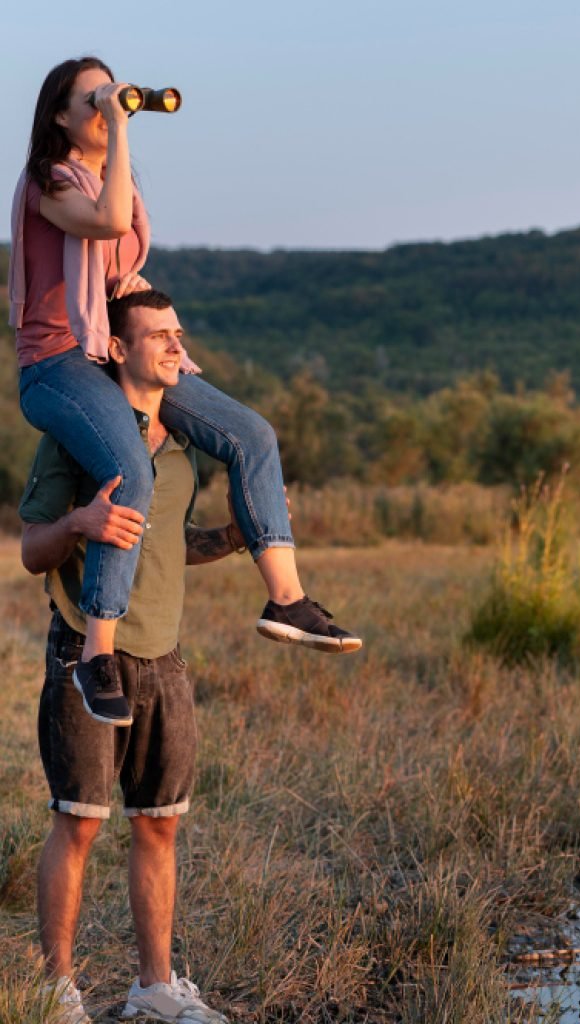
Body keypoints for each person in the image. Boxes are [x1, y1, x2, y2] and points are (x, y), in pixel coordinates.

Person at [9, 57, 360, 729]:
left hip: (109, 354)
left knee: (253, 434)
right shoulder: (48, 180)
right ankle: (98, 654)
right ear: (59, 115)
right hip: (56, 364)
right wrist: (121, 119)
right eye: (93, 101)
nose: (109, 111)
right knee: (130, 470)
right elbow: (109, 224)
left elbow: (122, 266)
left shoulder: (113, 180)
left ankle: (286, 599)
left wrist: (153, 326)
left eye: (113, 100)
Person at [19, 290, 283, 1023]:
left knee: (159, 821)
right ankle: (56, 991)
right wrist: (80, 520)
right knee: (79, 820)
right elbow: (32, 550)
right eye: (158, 336)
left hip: (165, 658)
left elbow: (168, 545)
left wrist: (231, 539)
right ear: (120, 349)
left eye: (178, 333)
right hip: (87, 650)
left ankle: (154, 989)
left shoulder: (187, 446)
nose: (177, 347)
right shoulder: (80, 438)